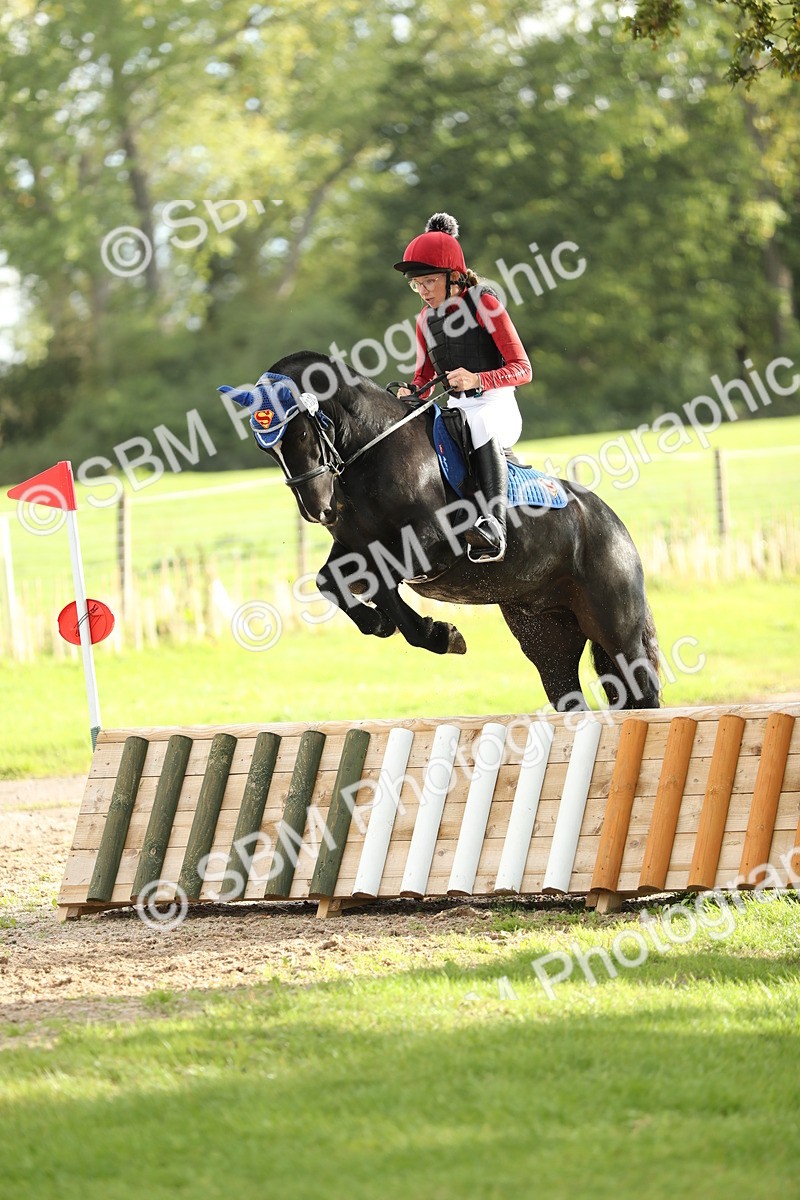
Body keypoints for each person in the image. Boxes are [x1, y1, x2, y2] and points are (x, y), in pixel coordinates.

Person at [394, 212, 532, 563]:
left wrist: (478, 379)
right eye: (416, 285)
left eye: (428, 282)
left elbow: (522, 369)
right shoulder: (425, 320)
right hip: (456, 410)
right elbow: (423, 378)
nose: (422, 292)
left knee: (479, 422)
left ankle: (494, 527)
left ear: (453, 277)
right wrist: (411, 392)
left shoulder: (485, 302)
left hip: (496, 405)